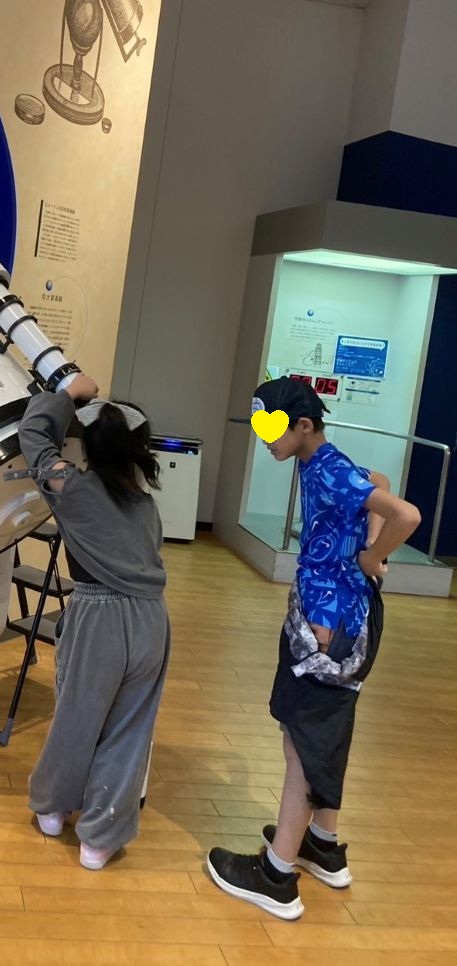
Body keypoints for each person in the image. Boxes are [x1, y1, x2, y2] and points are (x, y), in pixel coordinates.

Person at [207, 377, 421, 921]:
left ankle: (276, 875)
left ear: (304, 425)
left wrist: (372, 556)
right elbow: (378, 480)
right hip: (331, 621)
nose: (266, 440)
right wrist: (367, 542)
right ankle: (321, 843)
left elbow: (408, 514)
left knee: (303, 745)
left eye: (273, 429)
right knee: (323, 735)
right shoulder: (321, 462)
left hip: (328, 632)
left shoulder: (327, 468)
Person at [18, 372, 171, 871]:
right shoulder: (147, 508)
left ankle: (52, 808)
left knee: (77, 718)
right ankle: (100, 839)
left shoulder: (73, 488)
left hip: (97, 617)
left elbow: (33, 438)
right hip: (150, 619)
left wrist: (66, 396)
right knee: (129, 730)